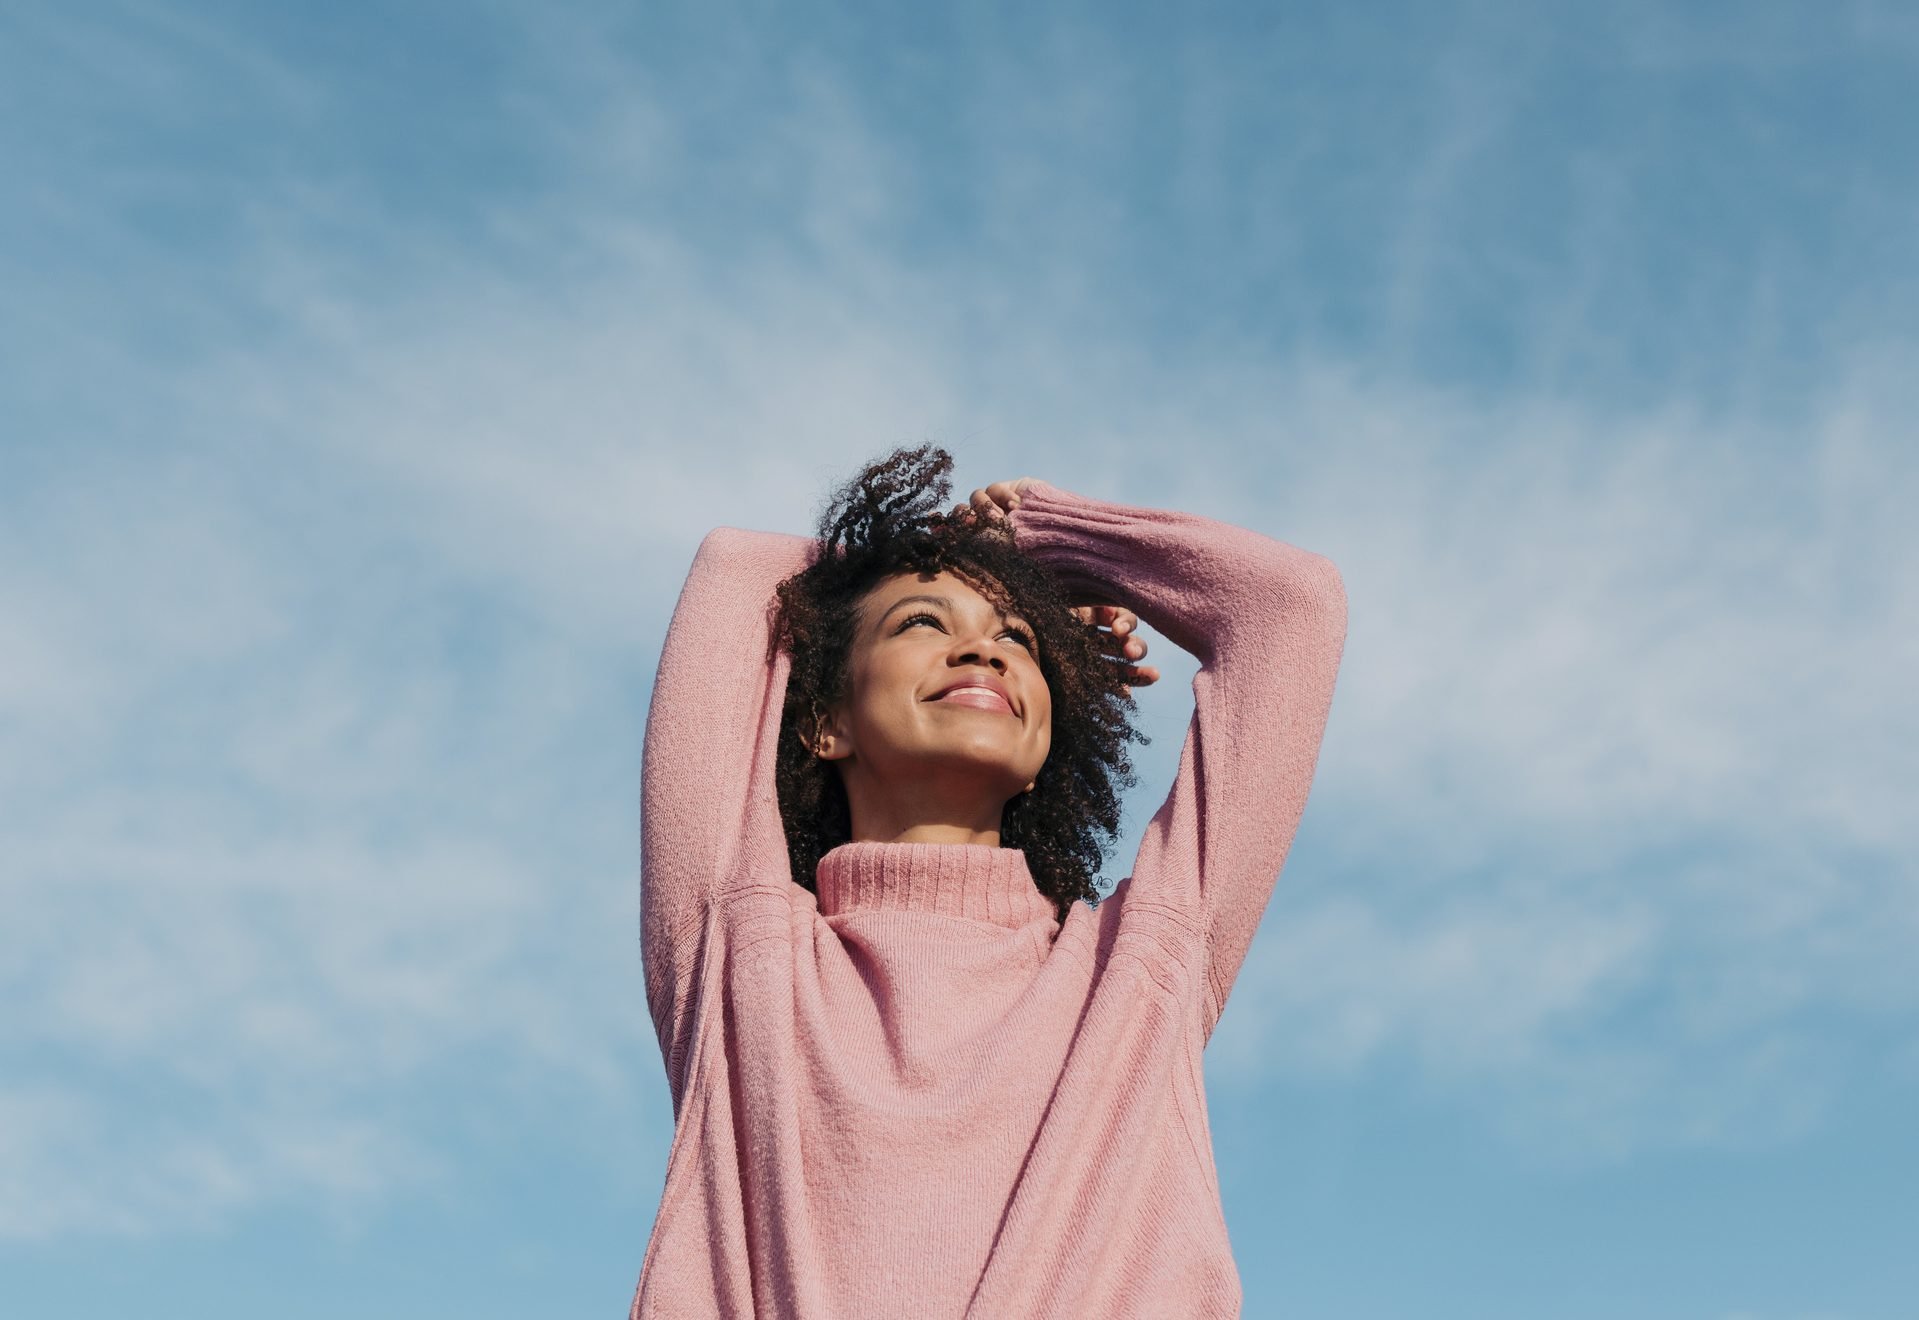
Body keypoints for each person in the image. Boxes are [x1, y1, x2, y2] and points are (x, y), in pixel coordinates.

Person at [631, 446, 1347, 1318]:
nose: (983, 647)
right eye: (922, 624)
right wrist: (948, 551)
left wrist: (1050, 539)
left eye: (1018, 639)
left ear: (1047, 743)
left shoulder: (1140, 968)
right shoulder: (738, 950)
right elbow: (738, 570)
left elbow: (1289, 608)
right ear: (824, 721)